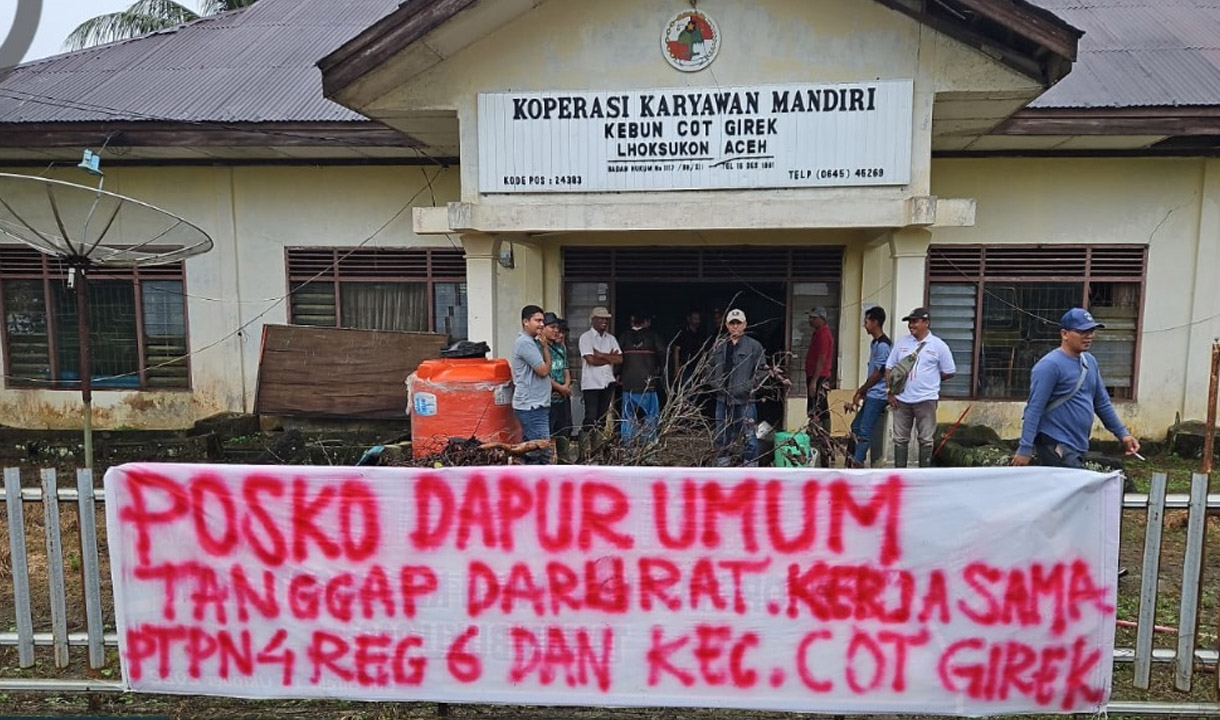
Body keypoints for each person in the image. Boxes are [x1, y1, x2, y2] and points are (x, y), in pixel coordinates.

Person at [1013, 308, 1141, 467]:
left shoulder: (1090, 362)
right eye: (1082, 332)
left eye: (1091, 331)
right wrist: (1025, 449)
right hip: (1055, 443)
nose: (1089, 336)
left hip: (1078, 445)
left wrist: (1123, 435)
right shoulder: (1049, 366)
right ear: (1064, 334)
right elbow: (1034, 408)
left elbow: (1101, 403)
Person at [885, 307, 956, 468]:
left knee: (925, 439)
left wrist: (931, 380)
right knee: (900, 438)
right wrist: (890, 392)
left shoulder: (938, 346)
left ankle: (924, 473)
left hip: (926, 399)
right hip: (901, 399)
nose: (911, 325)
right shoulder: (902, 343)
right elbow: (889, 367)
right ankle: (900, 473)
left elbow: (949, 371)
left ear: (926, 323)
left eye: (915, 321)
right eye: (910, 322)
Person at [710, 309, 770, 466]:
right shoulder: (720, 346)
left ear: (744, 325)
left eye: (738, 323)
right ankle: (724, 467)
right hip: (723, 399)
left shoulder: (754, 346)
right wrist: (715, 383)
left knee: (749, 435)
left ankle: (750, 467)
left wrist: (748, 387)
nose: (735, 326)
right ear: (727, 325)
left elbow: (763, 371)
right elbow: (707, 367)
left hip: (745, 400)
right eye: (732, 323)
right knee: (722, 435)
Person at [846, 306, 892, 468]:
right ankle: (852, 460)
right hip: (871, 393)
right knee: (855, 427)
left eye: (866, 322)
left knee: (864, 431)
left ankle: (857, 464)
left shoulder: (883, 346)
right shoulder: (875, 343)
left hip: (878, 395)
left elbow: (879, 373)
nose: (865, 325)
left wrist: (861, 390)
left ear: (875, 322)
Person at [510, 304, 552, 464]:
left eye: (543, 321)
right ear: (525, 322)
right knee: (542, 453)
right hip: (532, 406)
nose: (542, 324)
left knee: (529, 453)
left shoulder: (532, 342)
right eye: (538, 320)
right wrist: (546, 348)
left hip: (535, 405)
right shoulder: (525, 343)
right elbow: (543, 370)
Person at [619, 312, 666, 444]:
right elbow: (663, 353)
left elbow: (618, 358)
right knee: (651, 415)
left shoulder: (624, 337)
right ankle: (648, 443)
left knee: (628, 415)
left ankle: (628, 442)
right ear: (647, 322)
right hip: (648, 383)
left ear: (631, 322)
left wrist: (618, 374)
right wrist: (660, 371)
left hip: (628, 383)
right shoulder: (653, 336)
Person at [578, 306, 622, 447]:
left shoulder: (611, 338)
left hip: (607, 381)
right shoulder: (586, 337)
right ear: (593, 320)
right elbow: (591, 360)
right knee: (590, 417)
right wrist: (610, 357)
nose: (604, 321)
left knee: (602, 418)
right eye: (601, 318)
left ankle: (597, 448)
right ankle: (586, 448)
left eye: (606, 319)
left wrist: (601, 355)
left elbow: (620, 359)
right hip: (591, 382)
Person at [804, 306, 834, 467]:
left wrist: (815, 380)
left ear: (822, 319)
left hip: (820, 377)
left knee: (819, 410)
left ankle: (822, 442)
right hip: (814, 375)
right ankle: (818, 438)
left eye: (814, 317)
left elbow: (821, 359)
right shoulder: (817, 333)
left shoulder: (823, 334)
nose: (811, 320)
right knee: (815, 409)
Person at [543, 313, 574, 460]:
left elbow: (566, 368)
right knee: (547, 433)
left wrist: (566, 386)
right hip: (548, 398)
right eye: (552, 327)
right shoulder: (540, 348)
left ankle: (564, 462)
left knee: (565, 431)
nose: (556, 331)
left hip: (563, 396)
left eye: (557, 328)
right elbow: (543, 374)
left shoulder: (560, 347)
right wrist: (559, 388)